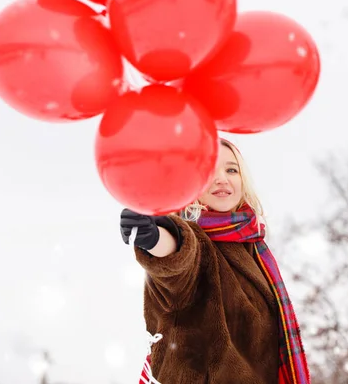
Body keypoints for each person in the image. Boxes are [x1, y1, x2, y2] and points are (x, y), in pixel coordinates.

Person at [120, 139, 310, 384]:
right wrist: (154, 236)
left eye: (231, 170)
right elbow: (178, 256)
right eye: (208, 170)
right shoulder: (195, 240)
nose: (222, 178)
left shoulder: (255, 250)